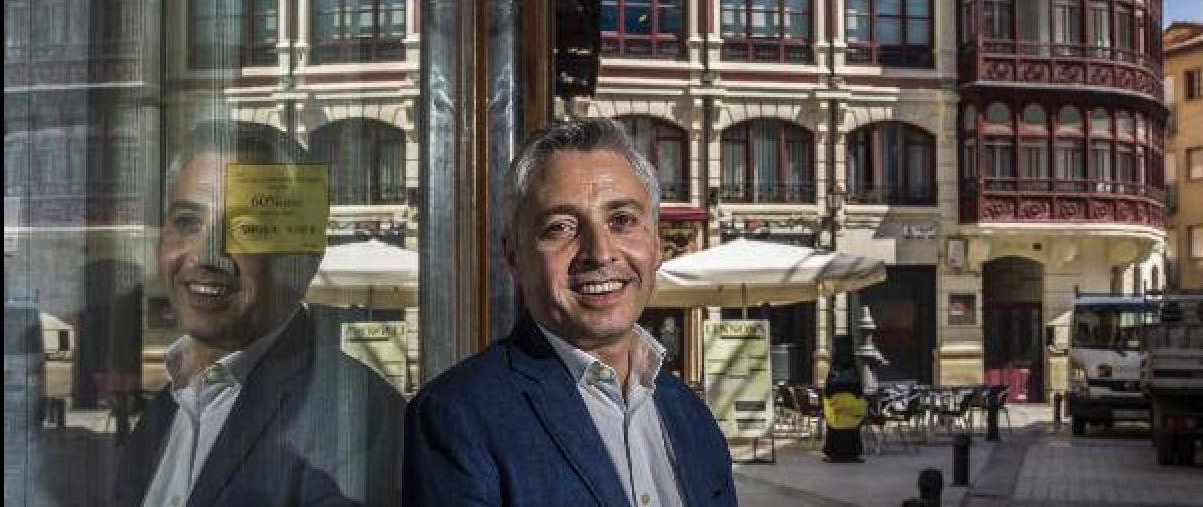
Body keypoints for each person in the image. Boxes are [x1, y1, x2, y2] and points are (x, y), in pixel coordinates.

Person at [405, 118, 737, 507]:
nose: (599, 252)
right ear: (513, 257)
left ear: (656, 244)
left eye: (623, 221)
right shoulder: (457, 416)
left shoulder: (692, 415)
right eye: (561, 227)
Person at [114, 121, 403, 507]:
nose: (205, 255)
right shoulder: (167, 407)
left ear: (305, 257)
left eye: (245, 227)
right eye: (187, 222)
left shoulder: (355, 414)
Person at [821, 334, 866, 463]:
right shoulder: (852, 366)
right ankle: (852, 453)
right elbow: (858, 388)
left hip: (837, 409)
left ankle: (835, 453)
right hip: (851, 410)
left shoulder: (834, 367)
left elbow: (829, 389)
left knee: (835, 429)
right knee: (852, 430)